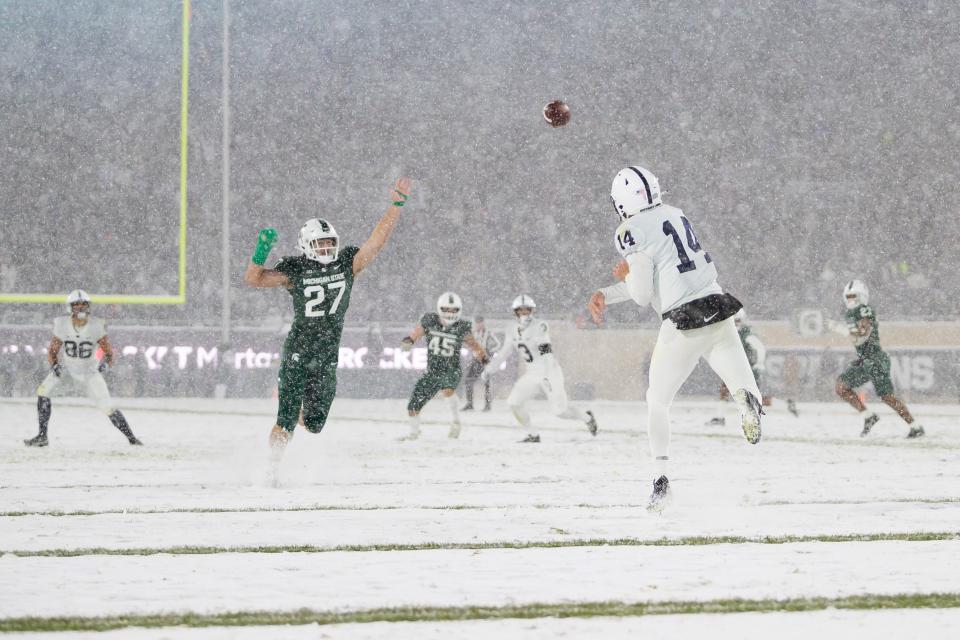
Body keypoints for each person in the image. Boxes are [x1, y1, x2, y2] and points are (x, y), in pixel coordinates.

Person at [588, 165, 762, 511]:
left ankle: (661, 479)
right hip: (718, 305)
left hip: (683, 321)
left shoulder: (630, 229)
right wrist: (608, 293)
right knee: (739, 382)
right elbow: (662, 275)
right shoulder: (675, 213)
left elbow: (641, 293)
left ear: (622, 202)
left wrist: (623, 275)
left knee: (657, 401)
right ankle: (747, 399)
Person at [244, 176, 412, 485]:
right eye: (320, 243)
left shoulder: (347, 263)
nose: (325, 247)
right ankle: (271, 467)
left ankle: (291, 406)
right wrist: (261, 249)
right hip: (298, 348)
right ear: (307, 245)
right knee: (286, 419)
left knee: (315, 423)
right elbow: (254, 279)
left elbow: (376, 242)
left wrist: (396, 205)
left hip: (326, 353)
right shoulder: (295, 269)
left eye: (329, 242)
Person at [23, 289, 141, 447]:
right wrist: (54, 365)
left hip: (89, 373)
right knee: (43, 392)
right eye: (76, 304)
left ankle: (132, 439)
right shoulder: (62, 324)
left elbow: (109, 353)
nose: (80, 307)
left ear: (88, 306)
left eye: (83, 304)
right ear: (70, 307)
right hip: (67, 370)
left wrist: (106, 364)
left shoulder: (96, 326)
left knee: (108, 407)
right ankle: (42, 436)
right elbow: (52, 350)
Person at [482, 295, 598, 442]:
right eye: (521, 310)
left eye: (527, 310)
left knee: (560, 411)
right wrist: (490, 369)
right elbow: (504, 352)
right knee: (514, 403)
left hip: (549, 371)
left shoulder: (540, 326)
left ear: (532, 311)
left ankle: (587, 418)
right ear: (515, 312)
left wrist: (548, 374)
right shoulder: (511, 329)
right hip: (532, 373)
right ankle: (533, 434)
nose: (524, 313)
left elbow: (546, 351)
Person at [829, 280, 924, 438]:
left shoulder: (865, 310)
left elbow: (862, 334)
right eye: (849, 296)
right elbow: (857, 339)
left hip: (876, 359)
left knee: (887, 397)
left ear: (862, 296)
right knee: (841, 387)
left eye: (854, 296)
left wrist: (839, 329)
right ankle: (868, 416)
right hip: (865, 360)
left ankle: (915, 426)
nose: (851, 300)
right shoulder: (848, 314)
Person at [399, 292, 488, 440]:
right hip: (433, 370)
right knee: (413, 405)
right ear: (440, 308)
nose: (450, 313)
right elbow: (416, 333)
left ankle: (455, 421)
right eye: (447, 309)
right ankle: (414, 433)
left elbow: (475, 346)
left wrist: (484, 360)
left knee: (447, 389)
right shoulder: (430, 320)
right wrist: (409, 341)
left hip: (451, 368)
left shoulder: (461, 327)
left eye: (453, 310)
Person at [707, 309, 799, 425]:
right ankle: (719, 417)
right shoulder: (735, 333)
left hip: (745, 370)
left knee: (752, 400)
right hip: (737, 369)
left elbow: (759, 348)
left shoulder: (745, 334)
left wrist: (758, 364)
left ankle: (785, 405)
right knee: (728, 392)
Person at [461, 315, 501, 411]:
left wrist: (489, 351)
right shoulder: (473, 333)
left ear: (483, 323)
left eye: (480, 323)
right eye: (477, 323)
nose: (478, 325)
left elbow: (498, 344)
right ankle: (469, 404)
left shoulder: (488, 333)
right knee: (468, 380)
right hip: (475, 359)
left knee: (487, 382)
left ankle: (487, 405)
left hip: (485, 359)